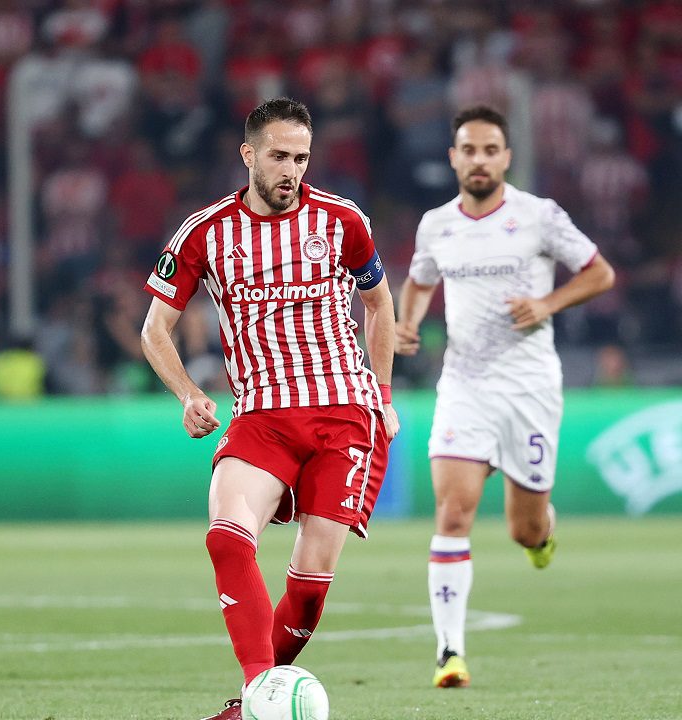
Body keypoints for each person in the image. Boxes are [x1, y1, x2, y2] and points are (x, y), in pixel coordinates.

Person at [140, 97, 399, 720]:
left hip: (344, 414)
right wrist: (189, 393)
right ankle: (261, 691)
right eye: (279, 156)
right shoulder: (204, 232)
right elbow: (154, 329)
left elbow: (380, 305)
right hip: (261, 415)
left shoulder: (342, 220)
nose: (292, 171)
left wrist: (384, 396)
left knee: (307, 594)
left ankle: (251, 704)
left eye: (301, 158)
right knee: (227, 540)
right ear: (248, 154)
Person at [396, 105, 615, 689]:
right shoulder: (436, 224)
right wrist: (407, 323)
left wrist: (547, 304)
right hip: (464, 385)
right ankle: (449, 653)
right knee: (453, 513)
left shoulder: (539, 216)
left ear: (506, 158)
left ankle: (542, 532)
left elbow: (600, 273)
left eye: (490, 150)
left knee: (525, 530)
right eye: (469, 150)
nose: (479, 160)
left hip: (529, 389)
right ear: (453, 158)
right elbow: (419, 280)